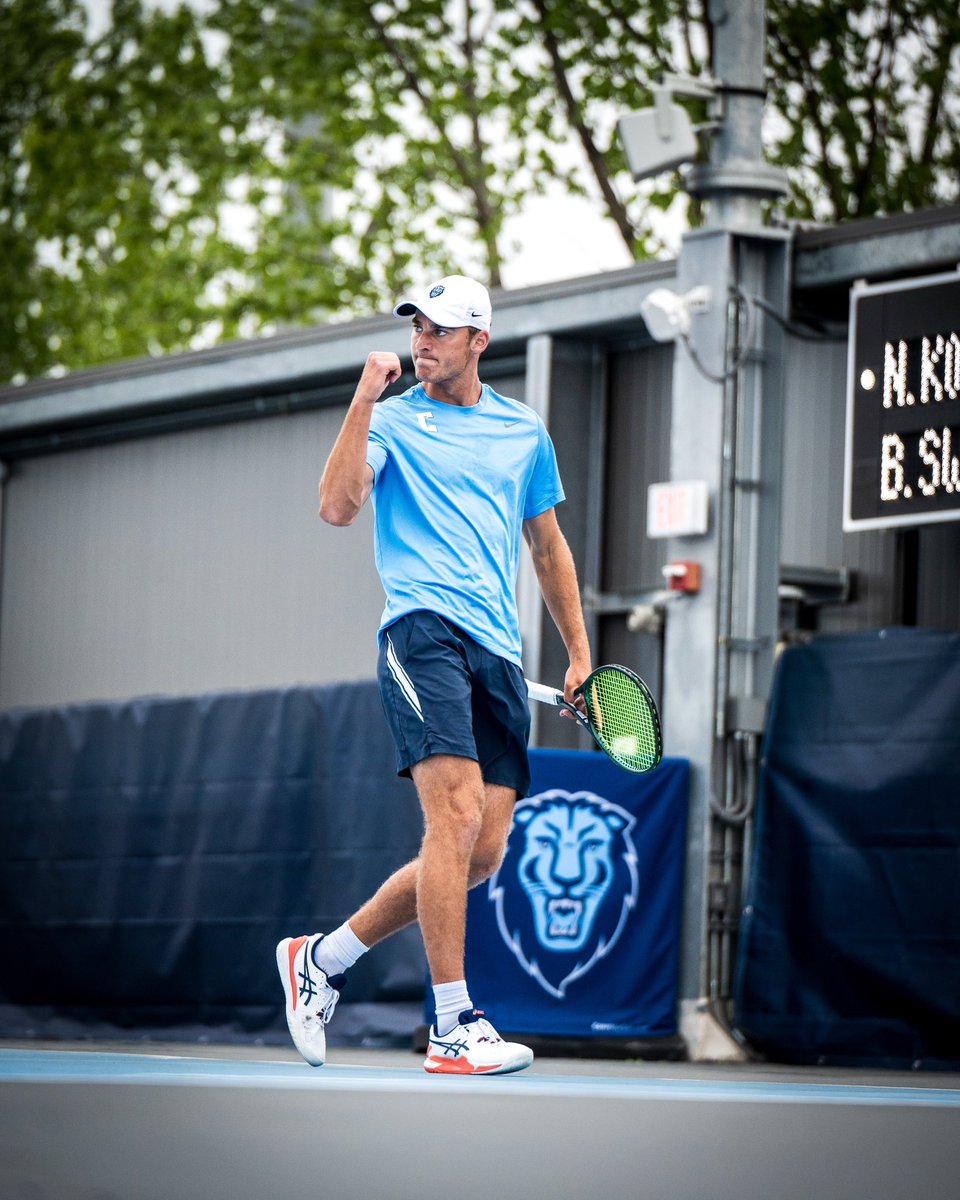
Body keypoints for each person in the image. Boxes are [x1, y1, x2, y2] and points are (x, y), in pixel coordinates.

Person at [276, 274, 592, 1075]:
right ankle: (453, 1025)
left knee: (481, 851)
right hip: (420, 633)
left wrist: (581, 652)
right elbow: (337, 508)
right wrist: (362, 401)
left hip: (499, 651)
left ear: (479, 342)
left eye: (442, 330)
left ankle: (320, 960)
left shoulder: (524, 432)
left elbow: (547, 548)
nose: (424, 340)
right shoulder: (391, 422)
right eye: (418, 325)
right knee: (450, 821)